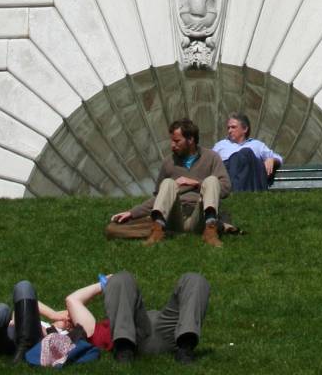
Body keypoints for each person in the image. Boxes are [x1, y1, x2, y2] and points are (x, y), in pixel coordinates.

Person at [109, 118, 230, 247]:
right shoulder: (168, 162)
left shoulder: (211, 157)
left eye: (177, 141)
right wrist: (133, 213)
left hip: (199, 215)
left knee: (212, 180)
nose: (172, 145)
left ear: (190, 140)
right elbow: (159, 198)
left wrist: (196, 183)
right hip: (175, 216)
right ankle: (157, 231)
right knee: (167, 183)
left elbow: (225, 187)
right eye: (172, 141)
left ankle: (211, 231)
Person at [97, 271, 209, 366]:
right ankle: (124, 348)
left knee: (195, 280)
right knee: (120, 278)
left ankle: (186, 347)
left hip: (173, 334)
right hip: (135, 334)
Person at [212, 113, 281, 191]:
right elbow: (209, 162)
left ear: (245, 129)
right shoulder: (220, 145)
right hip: (229, 175)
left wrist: (272, 160)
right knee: (241, 155)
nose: (229, 131)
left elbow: (278, 158)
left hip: (251, 178)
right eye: (228, 128)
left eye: (233, 127)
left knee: (247, 153)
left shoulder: (257, 145)